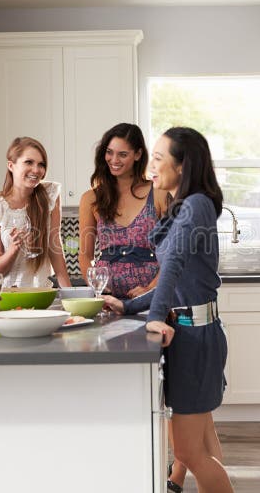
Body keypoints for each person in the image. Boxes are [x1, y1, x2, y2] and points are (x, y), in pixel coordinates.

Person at [102, 127, 233, 493]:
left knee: (189, 452)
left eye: (158, 159)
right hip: (196, 333)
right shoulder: (189, 204)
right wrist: (129, 305)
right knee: (204, 444)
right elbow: (173, 284)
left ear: (183, 165)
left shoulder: (195, 205)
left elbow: (172, 263)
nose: (150, 167)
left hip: (194, 338)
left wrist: (156, 317)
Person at [78, 123, 168, 299]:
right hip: (108, 299)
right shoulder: (91, 199)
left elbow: (172, 254)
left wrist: (150, 288)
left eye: (123, 154)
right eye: (109, 152)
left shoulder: (159, 194)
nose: (114, 160)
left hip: (150, 298)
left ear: (138, 154)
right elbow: (85, 255)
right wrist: (96, 287)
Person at [0, 137, 72, 288]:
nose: (36, 170)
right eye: (29, 162)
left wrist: (71, 297)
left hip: (38, 292)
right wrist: (13, 249)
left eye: (41, 164)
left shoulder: (50, 196)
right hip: (3, 294)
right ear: (11, 166)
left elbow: (55, 252)